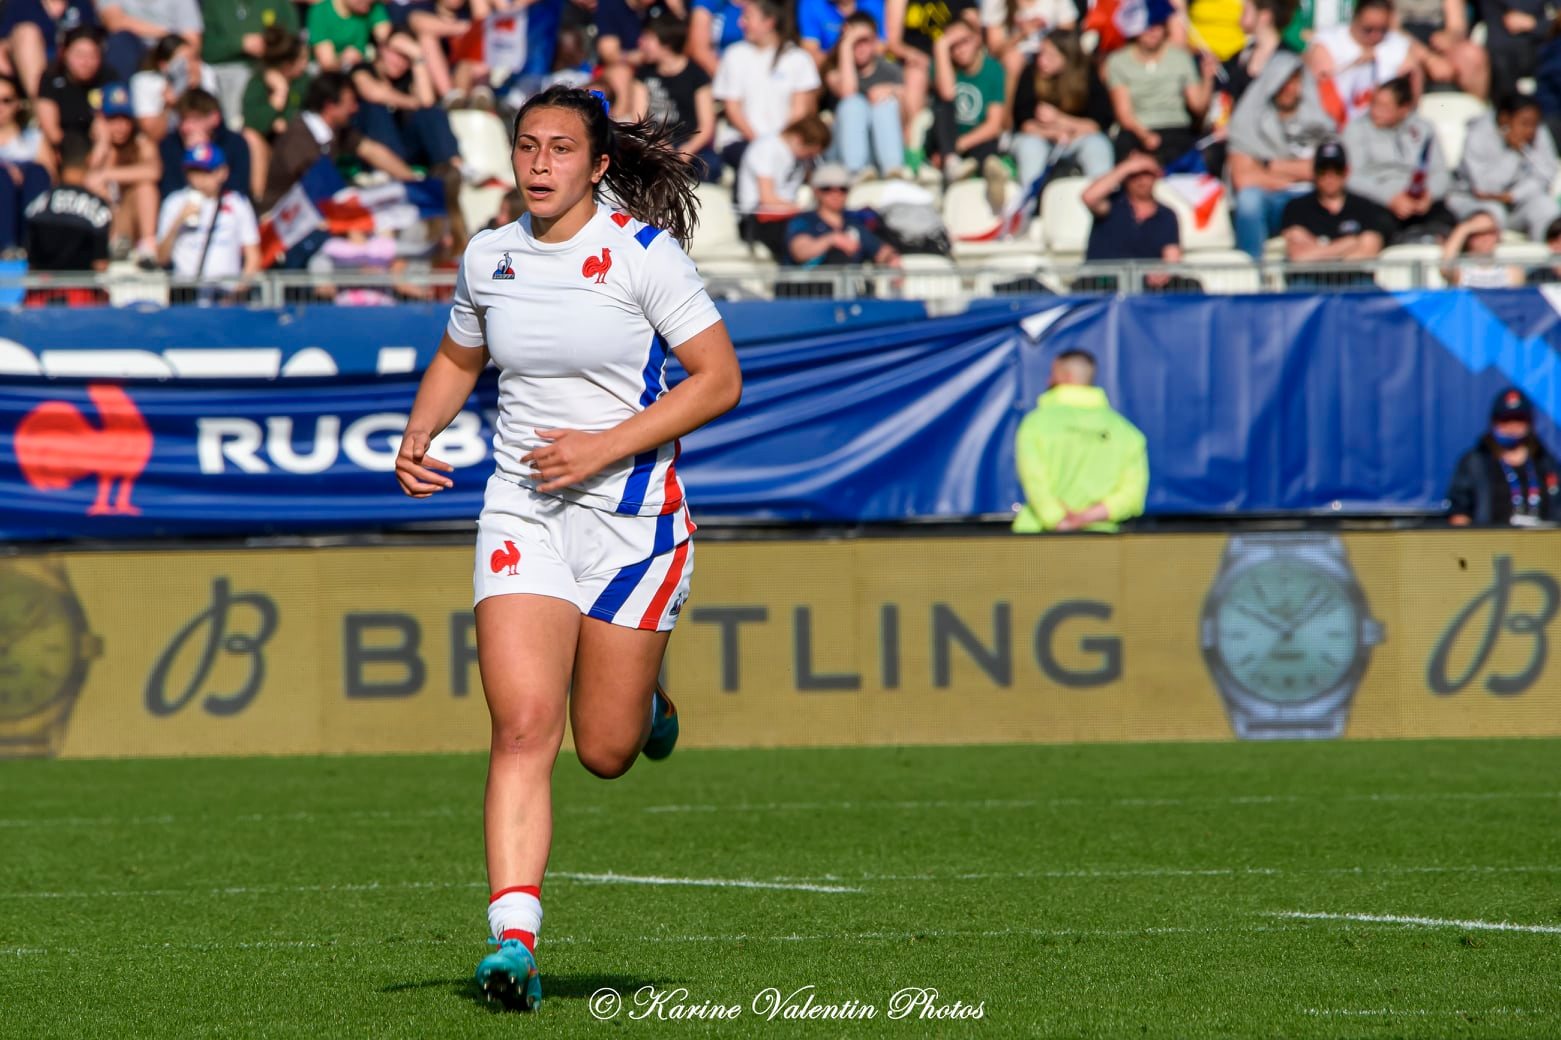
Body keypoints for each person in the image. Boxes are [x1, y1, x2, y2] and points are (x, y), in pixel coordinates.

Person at [393, 83, 743, 1012]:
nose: (539, 163)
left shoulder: (642, 254)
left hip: (632, 520)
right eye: (526, 147)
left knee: (605, 749)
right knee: (521, 727)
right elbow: (459, 356)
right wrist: (419, 432)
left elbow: (718, 382)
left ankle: (648, 704)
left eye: (559, 149)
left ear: (597, 166)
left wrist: (601, 445)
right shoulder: (489, 256)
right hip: (521, 512)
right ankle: (512, 942)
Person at [1012, 349, 1148, 533]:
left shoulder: (1035, 423)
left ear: (1065, 376)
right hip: (1101, 545)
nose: (1048, 381)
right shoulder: (1127, 432)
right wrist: (1086, 518)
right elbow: (1132, 496)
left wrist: (1058, 519)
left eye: (1052, 374)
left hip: (1037, 541)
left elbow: (1034, 482)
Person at [1227, 50, 1337, 258]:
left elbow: (1331, 172)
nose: (1289, 89)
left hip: (1313, 199)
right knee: (1249, 200)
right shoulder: (1246, 121)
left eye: (1295, 82)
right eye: (1282, 82)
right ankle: (1251, 272)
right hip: (1271, 202)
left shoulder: (1320, 122)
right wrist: (1301, 173)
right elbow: (1244, 179)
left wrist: (1270, 165)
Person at [261, 72, 419, 211]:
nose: (355, 108)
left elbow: (372, 151)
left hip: (317, 207)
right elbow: (320, 186)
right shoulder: (298, 137)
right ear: (330, 107)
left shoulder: (337, 130)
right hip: (283, 217)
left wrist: (415, 182)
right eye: (350, 103)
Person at [711, 0, 820, 173]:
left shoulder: (798, 58)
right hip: (742, 142)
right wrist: (761, 144)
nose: (740, 22)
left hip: (787, 143)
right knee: (758, 160)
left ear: (769, 22)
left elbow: (801, 111)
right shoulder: (734, 55)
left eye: (747, 17)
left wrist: (779, 143)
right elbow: (732, 109)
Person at [1104, 0, 1217, 165]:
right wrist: (1145, 135)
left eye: (1157, 25)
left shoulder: (1180, 58)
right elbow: (1124, 114)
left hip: (1176, 128)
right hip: (1138, 131)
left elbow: (1198, 106)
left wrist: (1207, 78)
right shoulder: (1118, 62)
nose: (1153, 32)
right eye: (1147, 25)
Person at [1343, 76, 1453, 243]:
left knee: (1450, 225)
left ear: (1404, 109)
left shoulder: (1424, 128)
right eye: (1375, 103)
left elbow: (1441, 173)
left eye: (1384, 106)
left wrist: (1429, 195)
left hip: (1420, 201)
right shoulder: (1356, 129)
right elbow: (1352, 177)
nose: (1375, 111)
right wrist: (1389, 198)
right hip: (1378, 202)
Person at [1005, 29, 1114, 193]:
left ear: (1067, 57)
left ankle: (1101, 198)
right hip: (1042, 138)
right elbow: (1025, 124)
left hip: (1077, 138)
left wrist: (1059, 119)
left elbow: (1096, 124)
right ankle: (1029, 202)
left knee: (1097, 145)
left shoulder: (1087, 76)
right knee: (1030, 147)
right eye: (1040, 54)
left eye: (1050, 56)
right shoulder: (1030, 74)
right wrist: (1054, 133)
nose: (1042, 61)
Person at [1448, 95, 1561, 243]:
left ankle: (1548, 262)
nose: (1530, 130)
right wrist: (1513, 154)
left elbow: (1546, 174)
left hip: (1519, 203)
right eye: (1525, 123)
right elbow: (1484, 188)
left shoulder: (1538, 132)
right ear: (1504, 119)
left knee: (1547, 208)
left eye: (1534, 124)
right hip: (1477, 203)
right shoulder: (1477, 135)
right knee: (1492, 213)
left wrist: (1513, 195)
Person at [1079, 151, 1196, 292]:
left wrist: (1163, 272)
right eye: (1134, 174)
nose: (1141, 180)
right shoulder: (1110, 205)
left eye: (1146, 173)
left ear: (1156, 176)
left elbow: (1172, 256)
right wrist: (1127, 167)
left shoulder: (1166, 215)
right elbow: (1089, 197)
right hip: (1102, 283)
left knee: (1191, 286)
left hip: (1147, 286)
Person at [1280, 139, 1392, 285]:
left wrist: (1320, 248)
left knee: (1369, 290)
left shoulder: (1365, 207)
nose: (1329, 177)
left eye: (1337, 171)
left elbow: (1368, 252)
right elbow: (1298, 256)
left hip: (1354, 279)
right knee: (1298, 291)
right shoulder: (1297, 207)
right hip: (1310, 281)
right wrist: (1349, 243)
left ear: (1346, 171)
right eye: (1323, 171)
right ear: (1314, 172)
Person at [155, 142, 260, 297]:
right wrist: (179, 221)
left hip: (226, 294)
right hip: (186, 296)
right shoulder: (174, 202)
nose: (199, 179)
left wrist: (237, 294)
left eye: (206, 171)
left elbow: (253, 255)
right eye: (193, 171)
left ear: (223, 172)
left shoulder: (237, 203)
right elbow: (161, 258)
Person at [1447, 387, 1560, 526]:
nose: (1512, 426)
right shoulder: (1476, 461)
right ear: (1494, 422)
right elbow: (1459, 511)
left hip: (1540, 542)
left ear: (1530, 422)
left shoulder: (1545, 461)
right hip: (1491, 542)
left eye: (1519, 419)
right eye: (1505, 420)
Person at [1305, 0, 1422, 125]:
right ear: (1355, 18)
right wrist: (1355, 66)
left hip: (1385, 129)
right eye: (1368, 29)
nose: (1375, 36)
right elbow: (1321, 93)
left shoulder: (1399, 45)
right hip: (1337, 126)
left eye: (1382, 30)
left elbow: (1410, 100)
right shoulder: (1328, 43)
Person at [629, 14, 717, 177]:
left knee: (711, 166)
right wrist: (660, 144)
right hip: (653, 141)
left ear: (666, 43)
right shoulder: (643, 74)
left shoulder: (697, 75)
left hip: (689, 144)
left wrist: (686, 151)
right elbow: (639, 120)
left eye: (648, 38)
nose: (641, 43)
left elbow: (707, 126)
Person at [735, 113, 831, 259]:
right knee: (801, 240)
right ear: (798, 139)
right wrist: (800, 209)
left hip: (787, 216)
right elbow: (767, 198)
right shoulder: (765, 148)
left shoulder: (799, 158)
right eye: (810, 153)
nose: (810, 158)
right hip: (759, 218)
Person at [825, 11, 906, 178]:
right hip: (842, 155)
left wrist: (892, 90)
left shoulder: (891, 70)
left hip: (880, 152)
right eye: (855, 42)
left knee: (885, 104)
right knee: (853, 105)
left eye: (865, 41)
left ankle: (893, 172)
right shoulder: (834, 71)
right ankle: (856, 173)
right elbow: (848, 92)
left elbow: (909, 114)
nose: (860, 48)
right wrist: (846, 45)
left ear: (875, 41)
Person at [198, 0, 300, 128]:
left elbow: (294, 45)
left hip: (273, 68)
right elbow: (206, 50)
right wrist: (240, 44)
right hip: (227, 74)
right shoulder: (215, 4)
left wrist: (270, 56)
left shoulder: (280, 4)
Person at [929, 19, 1006, 180]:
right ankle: (954, 165)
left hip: (972, 139)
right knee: (942, 107)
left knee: (988, 148)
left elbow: (994, 124)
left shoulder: (993, 69)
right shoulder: (943, 65)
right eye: (953, 45)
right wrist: (941, 47)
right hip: (947, 140)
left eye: (964, 41)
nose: (960, 50)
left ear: (977, 38)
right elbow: (947, 94)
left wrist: (958, 145)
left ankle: (988, 173)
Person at [24, 131, 111, 272]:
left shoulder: (37, 205)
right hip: (82, 292)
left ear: (58, 158)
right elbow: (100, 265)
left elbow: (31, 263)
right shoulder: (98, 208)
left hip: (42, 291)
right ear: (90, 159)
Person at [783, 161, 899, 265]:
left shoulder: (853, 221)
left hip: (848, 288)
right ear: (816, 192)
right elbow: (800, 252)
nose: (836, 194)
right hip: (812, 287)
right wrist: (832, 240)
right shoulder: (804, 220)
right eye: (827, 188)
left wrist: (891, 258)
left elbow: (878, 249)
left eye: (843, 189)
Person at [158, 88, 252, 202]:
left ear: (215, 118)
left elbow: (238, 189)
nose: (185, 127)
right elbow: (170, 190)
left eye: (194, 119)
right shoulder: (170, 144)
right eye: (182, 119)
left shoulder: (234, 143)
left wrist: (208, 152)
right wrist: (190, 155)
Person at [0, 75, 55, 257]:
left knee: (37, 173)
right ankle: (6, 247)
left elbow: (50, 176)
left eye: (6, 100)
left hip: (27, 199)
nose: (1, 106)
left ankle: (31, 246)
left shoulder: (33, 138)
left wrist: (22, 172)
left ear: (17, 103)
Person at [0, 0, 98, 100]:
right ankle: (42, 103)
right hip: (32, 67)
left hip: (72, 65)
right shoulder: (21, 4)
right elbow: (2, 48)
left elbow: (93, 39)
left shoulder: (81, 4)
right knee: (27, 33)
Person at [1395, 0, 1488, 97]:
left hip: (1437, 40)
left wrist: (1450, 36)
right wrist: (1429, 59)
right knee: (1408, 66)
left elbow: (1457, 27)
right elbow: (1392, 29)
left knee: (1472, 55)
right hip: (1404, 42)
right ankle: (1410, 110)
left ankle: (1476, 109)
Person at [35, 25, 108, 147]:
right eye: (79, 55)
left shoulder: (107, 78)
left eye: (92, 56)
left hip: (99, 146)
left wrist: (101, 144)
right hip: (64, 147)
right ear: (64, 54)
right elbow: (51, 131)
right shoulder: (51, 78)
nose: (86, 62)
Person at [97, 0, 202, 83]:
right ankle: (122, 104)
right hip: (132, 50)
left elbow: (192, 40)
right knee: (120, 43)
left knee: (184, 56)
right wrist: (167, 34)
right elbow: (114, 22)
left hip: (169, 51)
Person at [310, 0, 393, 72]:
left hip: (362, 70)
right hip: (334, 75)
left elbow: (388, 37)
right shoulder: (321, 11)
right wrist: (343, 61)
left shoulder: (372, 6)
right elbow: (327, 63)